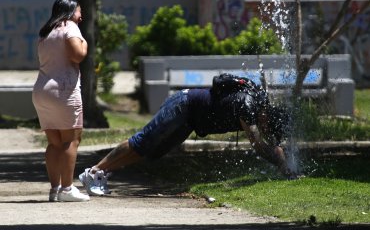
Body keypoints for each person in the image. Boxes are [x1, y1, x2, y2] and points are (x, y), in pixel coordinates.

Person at [79, 73, 293, 196]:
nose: (265, 132)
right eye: (268, 130)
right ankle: (93, 171)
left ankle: (99, 175)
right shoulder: (249, 106)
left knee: (150, 151)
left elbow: (260, 141)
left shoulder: (258, 104)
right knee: (143, 140)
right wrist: (279, 158)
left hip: (190, 120)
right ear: (267, 119)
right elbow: (257, 144)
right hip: (184, 105)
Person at [32, 0, 90, 202]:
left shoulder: (46, 31)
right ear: (70, 11)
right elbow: (77, 55)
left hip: (42, 91)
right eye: (78, 12)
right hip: (63, 91)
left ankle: (54, 189)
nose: (81, 16)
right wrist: (85, 43)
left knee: (54, 143)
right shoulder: (70, 27)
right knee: (70, 140)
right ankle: (67, 189)